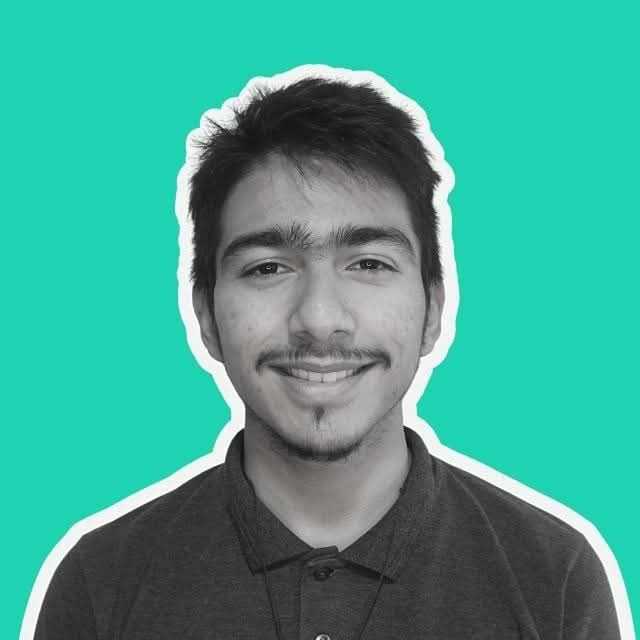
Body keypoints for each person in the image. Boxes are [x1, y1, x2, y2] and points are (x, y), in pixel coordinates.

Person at [31, 69, 622, 639]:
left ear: (433, 310)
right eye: (268, 268)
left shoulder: (553, 578)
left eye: (368, 263)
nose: (318, 319)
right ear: (205, 315)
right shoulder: (99, 584)